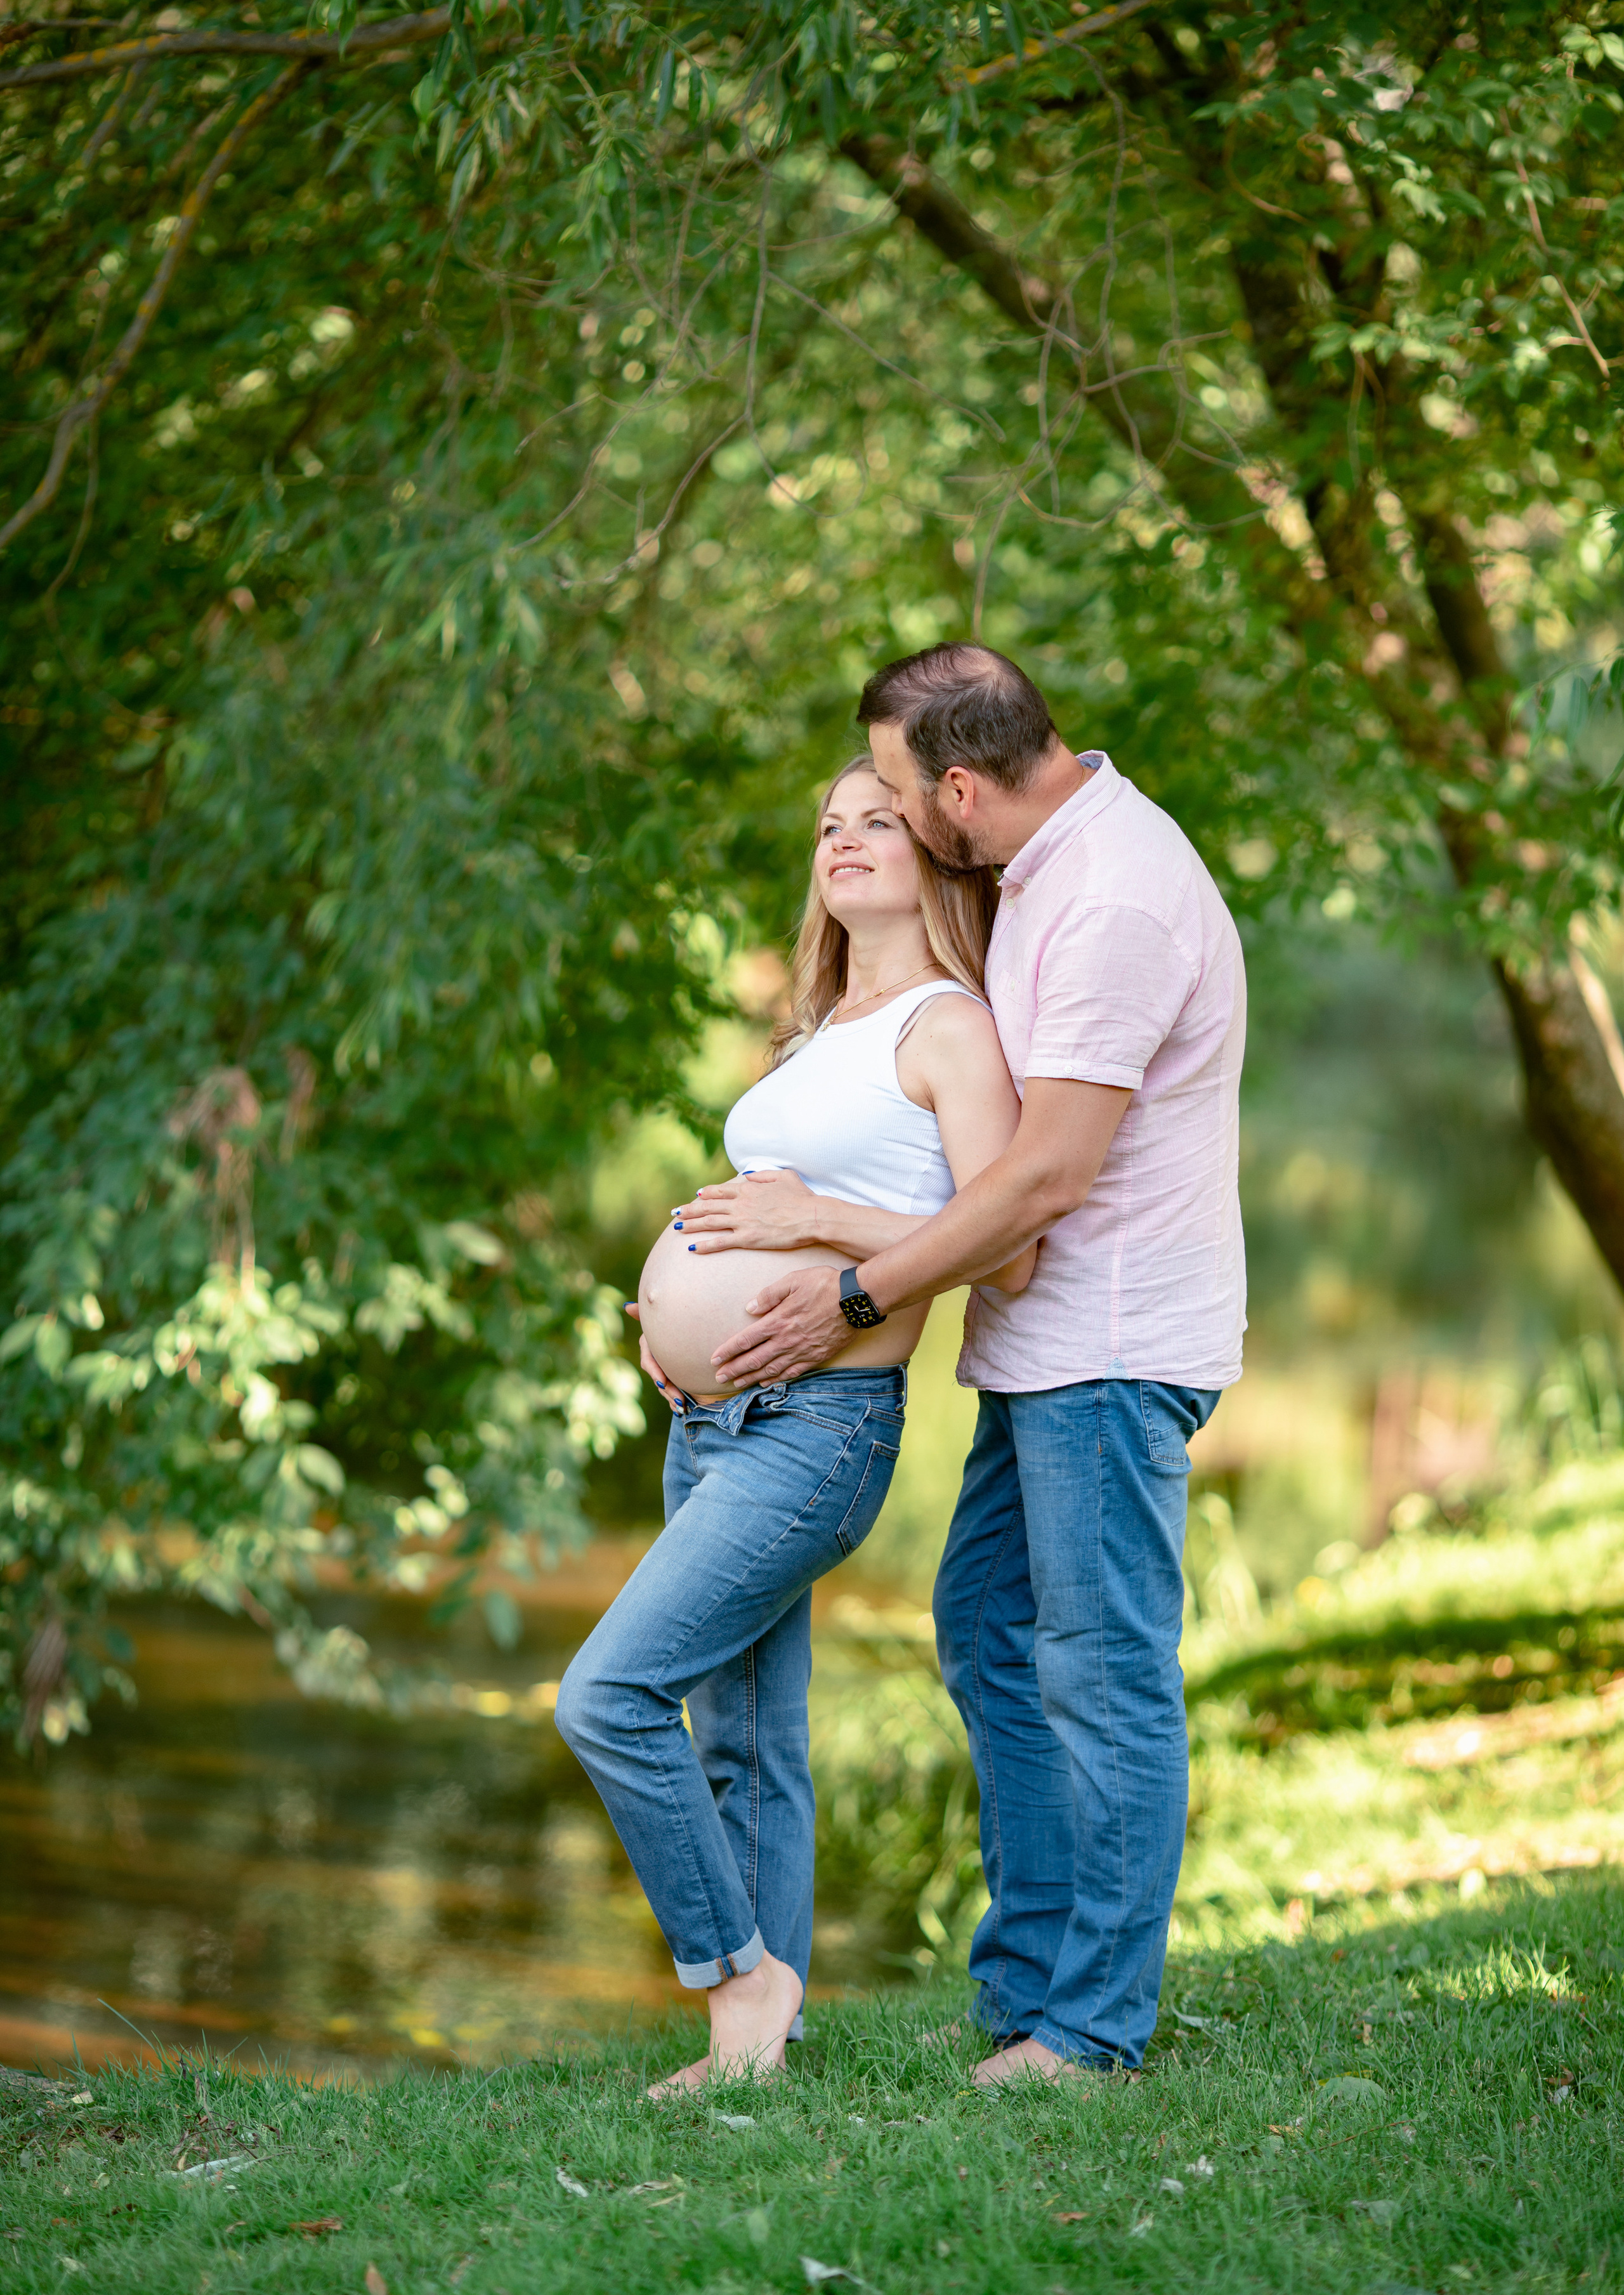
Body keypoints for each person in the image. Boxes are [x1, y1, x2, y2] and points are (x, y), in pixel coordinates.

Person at [709, 644, 1246, 2085]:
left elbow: (1041, 1182)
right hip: (1047, 1348)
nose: (868, 819)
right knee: (990, 1634)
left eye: (887, 795)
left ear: (956, 788)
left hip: (1111, 1347)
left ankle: (1088, 2030)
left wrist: (852, 1298)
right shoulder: (1049, 872)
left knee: (1099, 1669)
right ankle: (1027, 1989)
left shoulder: (1113, 900)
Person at [554, 757, 1035, 2095]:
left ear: (940, 850)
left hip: (822, 1426)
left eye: (877, 819)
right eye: (828, 825)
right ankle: (751, 2052)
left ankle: (738, 1972)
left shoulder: (949, 1028)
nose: (842, 839)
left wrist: (814, 1229)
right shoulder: (819, 1026)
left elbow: (1001, 1255)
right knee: (744, 1741)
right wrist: (678, 1334)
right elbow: (750, 1213)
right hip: (714, 1422)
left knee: (607, 1697)